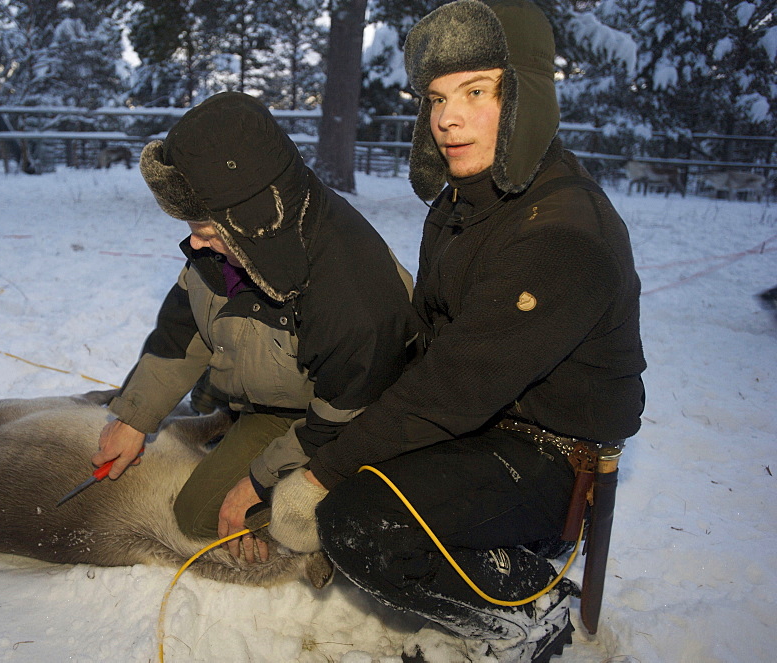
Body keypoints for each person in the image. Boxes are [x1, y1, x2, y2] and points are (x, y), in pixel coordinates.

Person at [261, 1, 647, 661]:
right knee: (358, 478)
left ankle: (529, 612)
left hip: (551, 453)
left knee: (359, 520)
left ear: (524, 93)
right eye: (436, 97)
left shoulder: (563, 229)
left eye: (476, 91)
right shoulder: (462, 204)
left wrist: (323, 474)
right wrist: (331, 436)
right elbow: (424, 347)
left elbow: (454, 384)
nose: (447, 118)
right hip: (483, 422)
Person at [91, 91, 418, 563]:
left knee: (211, 515)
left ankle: (333, 524)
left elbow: (344, 417)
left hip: (353, 422)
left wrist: (261, 483)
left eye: (205, 229)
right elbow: (182, 331)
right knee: (198, 513)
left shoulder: (351, 292)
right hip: (278, 401)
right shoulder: (238, 245)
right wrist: (134, 416)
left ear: (253, 218)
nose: (193, 242)